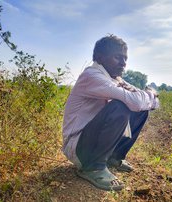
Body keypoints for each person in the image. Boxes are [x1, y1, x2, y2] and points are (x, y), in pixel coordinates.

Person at [62, 34, 159, 191]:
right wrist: (150, 94)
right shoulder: (92, 76)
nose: (123, 63)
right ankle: (93, 167)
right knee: (120, 106)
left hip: (90, 140)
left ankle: (114, 157)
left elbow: (142, 102)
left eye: (125, 59)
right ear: (100, 58)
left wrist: (147, 98)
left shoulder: (115, 78)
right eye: (117, 57)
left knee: (141, 110)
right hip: (78, 146)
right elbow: (136, 100)